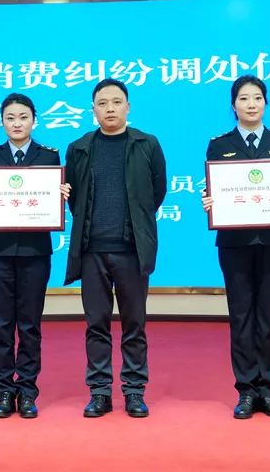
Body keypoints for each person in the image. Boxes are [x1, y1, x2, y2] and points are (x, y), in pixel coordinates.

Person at [201, 75, 270, 420]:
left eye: (257, 98)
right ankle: (246, 392)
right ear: (233, 105)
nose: (251, 104)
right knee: (241, 316)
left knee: (267, 316)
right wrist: (211, 202)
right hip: (234, 242)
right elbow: (215, 188)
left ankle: (268, 391)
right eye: (244, 98)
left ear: (266, 103)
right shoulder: (219, 145)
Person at [63, 79, 166, 418]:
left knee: (135, 324)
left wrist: (135, 225)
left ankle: (134, 391)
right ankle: (100, 392)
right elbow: (75, 200)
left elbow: (157, 192)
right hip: (92, 251)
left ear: (128, 107)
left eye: (116, 102)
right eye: (103, 103)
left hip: (132, 250)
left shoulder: (147, 144)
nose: (110, 108)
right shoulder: (79, 148)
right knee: (96, 324)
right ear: (93, 109)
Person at [0, 93, 71, 419]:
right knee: (1, 324)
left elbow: (55, 202)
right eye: (10, 118)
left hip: (35, 252)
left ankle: (26, 390)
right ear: (1, 122)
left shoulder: (49, 156)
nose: (17, 123)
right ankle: (3, 391)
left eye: (23, 117)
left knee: (29, 324)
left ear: (34, 120)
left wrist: (62, 195)